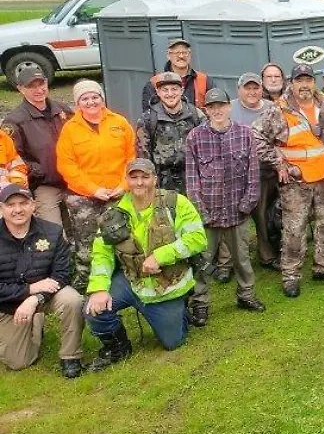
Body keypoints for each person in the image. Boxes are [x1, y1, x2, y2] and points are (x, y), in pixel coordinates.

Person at [84, 159, 209, 370]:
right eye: (134, 177)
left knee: (173, 342)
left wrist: (162, 256)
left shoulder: (175, 202)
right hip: (132, 282)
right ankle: (119, 347)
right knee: (93, 309)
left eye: (145, 177)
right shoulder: (113, 214)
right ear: (126, 181)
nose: (139, 183)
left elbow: (198, 238)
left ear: (155, 179)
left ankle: (180, 312)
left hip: (167, 286)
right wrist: (98, 288)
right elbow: (101, 255)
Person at [254, 64, 324, 297]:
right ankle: (291, 276)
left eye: (308, 80)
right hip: (296, 183)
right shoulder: (279, 110)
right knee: (295, 230)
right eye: (299, 80)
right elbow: (255, 137)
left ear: (313, 82)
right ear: (291, 83)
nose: (304, 85)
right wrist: (278, 162)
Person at [184, 87, 264, 322]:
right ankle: (200, 303)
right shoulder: (195, 137)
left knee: (242, 259)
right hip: (208, 214)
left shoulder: (245, 134)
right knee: (202, 260)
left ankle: (246, 295)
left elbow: (253, 173)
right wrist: (201, 211)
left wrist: (248, 204)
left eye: (221, 106)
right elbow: (191, 179)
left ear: (230, 107)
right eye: (212, 107)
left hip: (237, 212)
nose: (217, 111)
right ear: (206, 110)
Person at [57, 80, 136, 291]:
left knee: (122, 235)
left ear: (102, 98)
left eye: (95, 96)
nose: (91, 101)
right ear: (77, 103)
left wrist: (123, 185)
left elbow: (131, 157)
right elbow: (66, 165)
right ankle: (85, 281)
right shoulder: (70, 130)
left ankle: (125, 276)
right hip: (84, 197)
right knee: (86, 242)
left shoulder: (119, 122)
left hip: (118, 192)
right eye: (85, 98)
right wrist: (93, 189)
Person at [0, 184, 84, 378]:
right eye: (11, 205)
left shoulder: (53, 232)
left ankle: (70, 357)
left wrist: (35, 298)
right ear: (2, 208)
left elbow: (62, 274)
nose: (18, 209)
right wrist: (27, 290)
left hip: (44, 294)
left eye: (23, 203)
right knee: (19, 361)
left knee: (73, 300)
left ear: (33, 205)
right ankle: (36, 322)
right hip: (6, 304)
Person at [4, 66, 71, 225]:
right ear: (20, 89)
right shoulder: (14, 121)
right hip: (45, 185)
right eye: (31, 86)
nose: (38, 90)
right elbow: (11, 158)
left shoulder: (63, 110)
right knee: (53, 232)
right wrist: (38, 170)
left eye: (41, 84)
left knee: (84, 228)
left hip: (74, 181)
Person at [233, 72, 281, 271]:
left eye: (256, 88)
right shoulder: (231, 109)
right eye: (248, 88)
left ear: (262, 90)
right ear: (239, 90)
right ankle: (266, 256)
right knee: (259, 216)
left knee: (278, 212)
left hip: (273, 170)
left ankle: (282, 249)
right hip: (247, 174)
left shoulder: (272, 108)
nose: (252, 92)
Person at [135, 71, 205, 193]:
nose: (170, 94)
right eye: (165, 90)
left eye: (174, 89)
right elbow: (143, 157)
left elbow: (206, 150)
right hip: (161, 185)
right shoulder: (147, 119)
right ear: (158, 92)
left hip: (193, 182)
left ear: (181, 90)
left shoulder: (196, 115)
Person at [140, 38, 209, 111]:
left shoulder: (204, 80)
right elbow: (148, 115)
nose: (181, 56)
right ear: (169, 56)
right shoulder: (154, 83)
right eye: (177, 53)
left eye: (185, 52)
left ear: (190, 55)